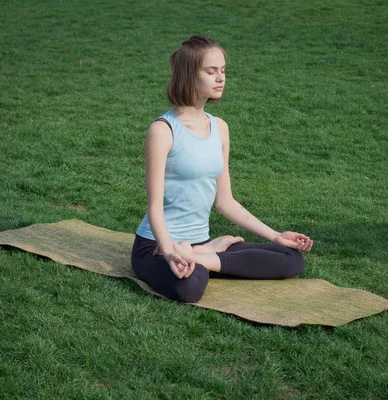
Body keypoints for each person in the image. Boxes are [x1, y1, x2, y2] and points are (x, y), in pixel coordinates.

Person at [131, 35, 313, 303]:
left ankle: (201, 254)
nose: (221, 78)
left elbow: (226, 202)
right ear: (189, 75)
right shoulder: (163, 130)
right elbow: (154, 207)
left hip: (198, 244)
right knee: (189, 287)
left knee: (291, 259)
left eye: (223, 71)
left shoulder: (220, 128)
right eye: (211, 71)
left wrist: (276, 236)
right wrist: (170, 252)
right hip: (156, 247)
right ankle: (201, 257)